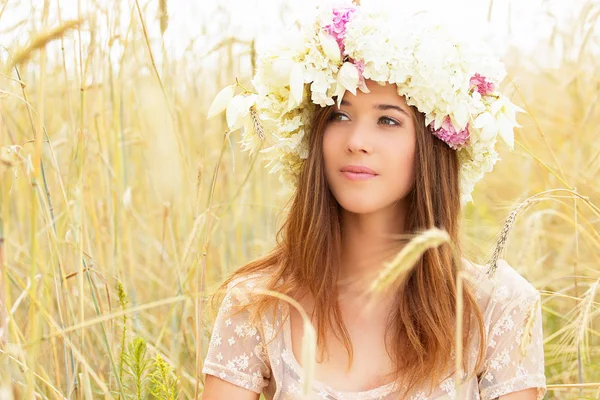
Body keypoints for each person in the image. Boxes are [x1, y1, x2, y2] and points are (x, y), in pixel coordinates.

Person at [201, 2, 547, 399]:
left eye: (388, 120)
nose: (357, 142)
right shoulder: (259, 302)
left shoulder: (497, 306)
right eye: (339, 116)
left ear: (435, 145)